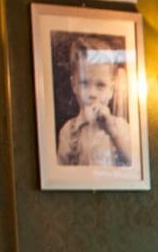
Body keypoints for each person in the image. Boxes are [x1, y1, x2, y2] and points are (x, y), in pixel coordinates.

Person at [53, 35, 139, 170]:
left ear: (111, 89)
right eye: (84, 83)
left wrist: (113, 132)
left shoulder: (120, 127)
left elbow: (135, 165)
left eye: (100, 85)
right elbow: (60, 173)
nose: (92, 93)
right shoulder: (67, 130)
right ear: (74, 85)